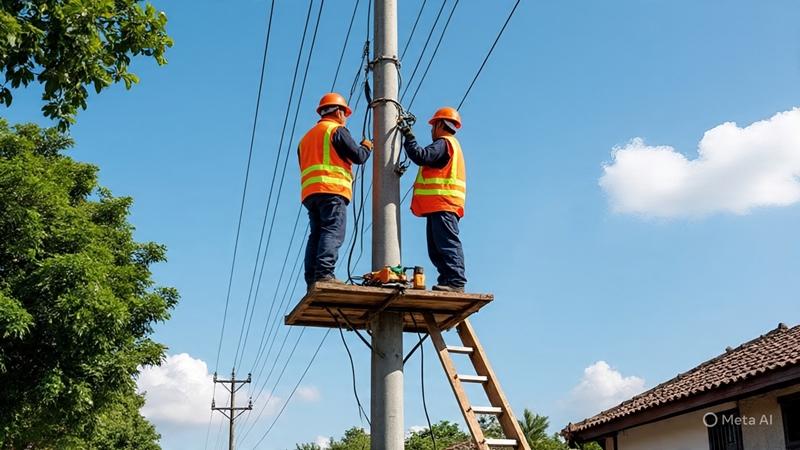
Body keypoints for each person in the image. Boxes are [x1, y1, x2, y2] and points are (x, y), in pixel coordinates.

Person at [299, 93, 372, 287]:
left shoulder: (306, 138)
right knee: (332, 231)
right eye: (345, 113)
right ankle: (324, 274)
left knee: (316, 234)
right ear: (339, 112)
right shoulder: (336, 130)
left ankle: (312, 278)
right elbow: (358, 156)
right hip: (332, 189)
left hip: (310, 193)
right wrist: (366, 146)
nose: (345, 117)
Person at [399, 106, 467, 292]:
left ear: (439, 124)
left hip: (443, 204)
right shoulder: (451, 145)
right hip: (441, 205)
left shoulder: (444, 143)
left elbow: (422, 156)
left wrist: (408, 136)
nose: (431, 130)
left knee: (445, 244)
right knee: (437, 247)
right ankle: (448, 280)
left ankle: (455, 281)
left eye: (432, 126)